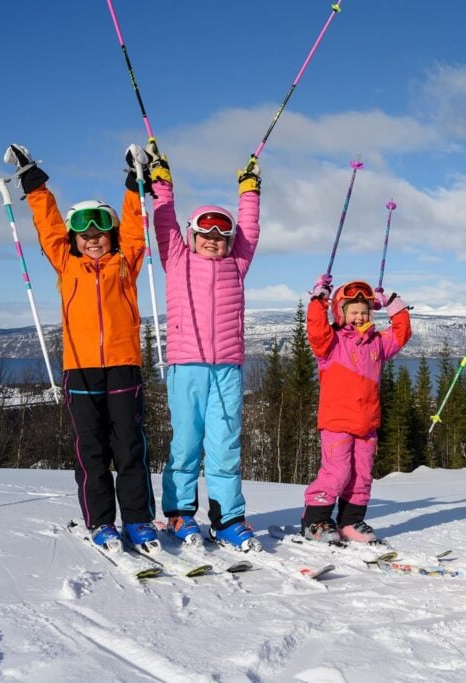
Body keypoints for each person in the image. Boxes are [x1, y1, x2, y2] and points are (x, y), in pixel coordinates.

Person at [4, 143, 157, 548]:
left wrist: (133, 180)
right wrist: (33, 181)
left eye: (101, 234)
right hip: (80, 366)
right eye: (85, 236)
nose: (94, 240)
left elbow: (135, 228)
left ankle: (139, 520)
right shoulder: (65, 261)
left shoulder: (125, 263)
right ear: (75, 240)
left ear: (110, 237)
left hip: (123, 364)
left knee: (129, 446)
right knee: (91, 449)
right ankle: (101, 521)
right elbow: (48, 224)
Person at [146, 143, 263, 551]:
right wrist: (162, 183)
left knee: (225, 444)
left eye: (222, 235)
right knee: (186, 443)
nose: (214, 240)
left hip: (227, 368)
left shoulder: (237, 264)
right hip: (187, 366)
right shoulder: (177, 259)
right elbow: (164, 225)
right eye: (205, 234)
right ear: (192, 236)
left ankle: (228, 519)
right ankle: (179, 514)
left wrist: (250, 190)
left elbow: (250, 229)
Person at [301, 278, 412, 542]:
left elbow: (401, 333)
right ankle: (315, 521)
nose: (360, 317)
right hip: (337, 422)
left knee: (362, 476)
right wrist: (319, 300)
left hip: (366, 424)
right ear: (340, 313)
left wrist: (394, 304)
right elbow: (316, 329)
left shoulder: (377, 343)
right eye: (353, 312)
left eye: (365, 312)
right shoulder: (331, 344)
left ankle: (350, 522)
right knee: (337, 473)